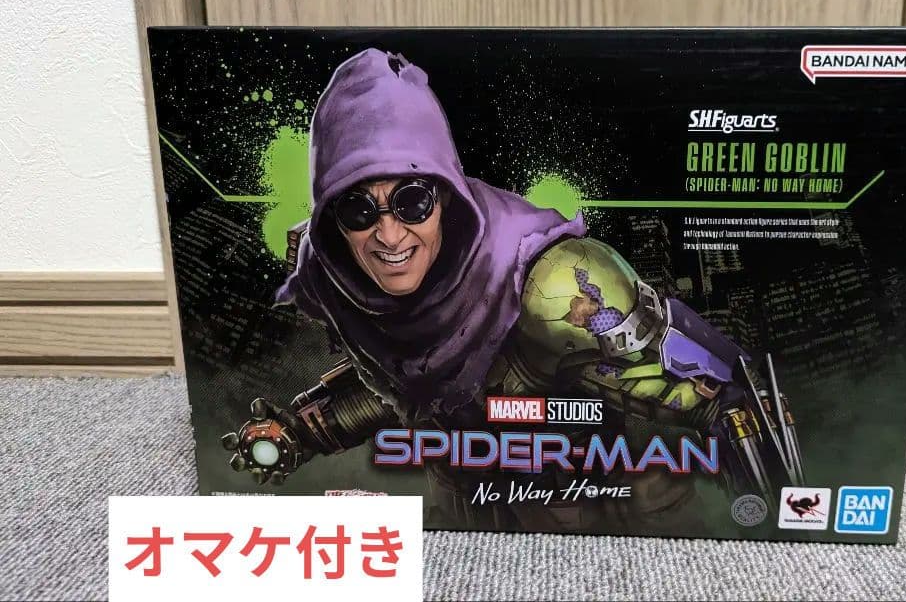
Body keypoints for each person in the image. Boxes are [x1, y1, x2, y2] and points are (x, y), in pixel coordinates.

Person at [221, 48, 802, 534]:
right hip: (466, 515)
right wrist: (301, 430)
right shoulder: (336, 279)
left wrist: (776, 514)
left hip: (600, 509)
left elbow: (731, 401)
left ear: (445, 196)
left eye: (413, 201)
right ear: (331, 220)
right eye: (357, 208)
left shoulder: (557, 283)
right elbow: (409, 380)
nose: (390, 235)